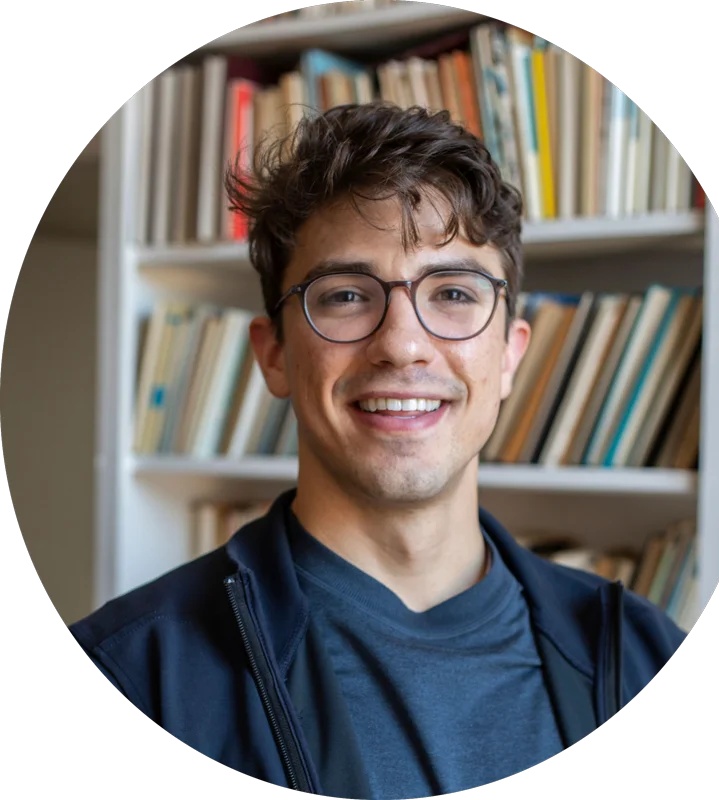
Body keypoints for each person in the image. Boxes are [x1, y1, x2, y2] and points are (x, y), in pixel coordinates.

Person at [71, 101, 687, 797]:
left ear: (511, 356)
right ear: (273, 356)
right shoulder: (135, 673)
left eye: (453, 292)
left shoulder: (639, 651)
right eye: (344, 296)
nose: (402, 344)